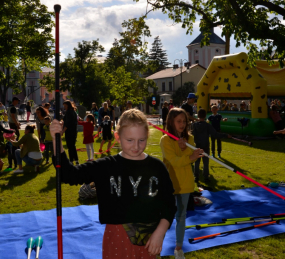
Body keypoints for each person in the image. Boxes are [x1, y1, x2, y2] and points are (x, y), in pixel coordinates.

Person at [50, 109, 176, 258]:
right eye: (130, 140)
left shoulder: (157, 167)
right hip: (117, 239)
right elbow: (68, 174)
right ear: (117, 137)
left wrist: (160, 234)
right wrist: (56, 140)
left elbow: (169, 204)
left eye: (141, 140)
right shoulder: (106, 166)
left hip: (148, 240)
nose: (136, 146)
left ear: (147, 136)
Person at [159, 108, 203, 259]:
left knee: (181, 216)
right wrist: (187, 153)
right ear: (171, 122)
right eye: (179, 121)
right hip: (170, 183)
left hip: (185, 183)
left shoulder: (189, 139)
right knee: (166, 216)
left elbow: (192, 157)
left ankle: (178, 248)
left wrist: (192, 153)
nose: (182, 124)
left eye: (184, 121)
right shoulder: (165, 140)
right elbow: (175, 162)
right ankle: (156, 244)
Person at [193, 109, 231, 183]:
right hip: (205, 146)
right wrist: (226, 135)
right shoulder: (207, 126)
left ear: (198, 115)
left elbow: (191, 134)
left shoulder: (194, 125)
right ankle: (205, 177)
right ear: (205, 116)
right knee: (205, 162)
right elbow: (216, 134)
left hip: (196, 146)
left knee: (196, 162)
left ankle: (196, 177)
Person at [61, 100, 79, 165]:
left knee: (70, 146)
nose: (64, 107)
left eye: (65, 106)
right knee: (73, 146)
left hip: (69, 131)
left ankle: (71, 160)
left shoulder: (68, 112)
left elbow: (67, 124)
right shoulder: (73, 112)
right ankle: (76, 160)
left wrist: (62, 131)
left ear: (68, 105)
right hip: (74, 131)